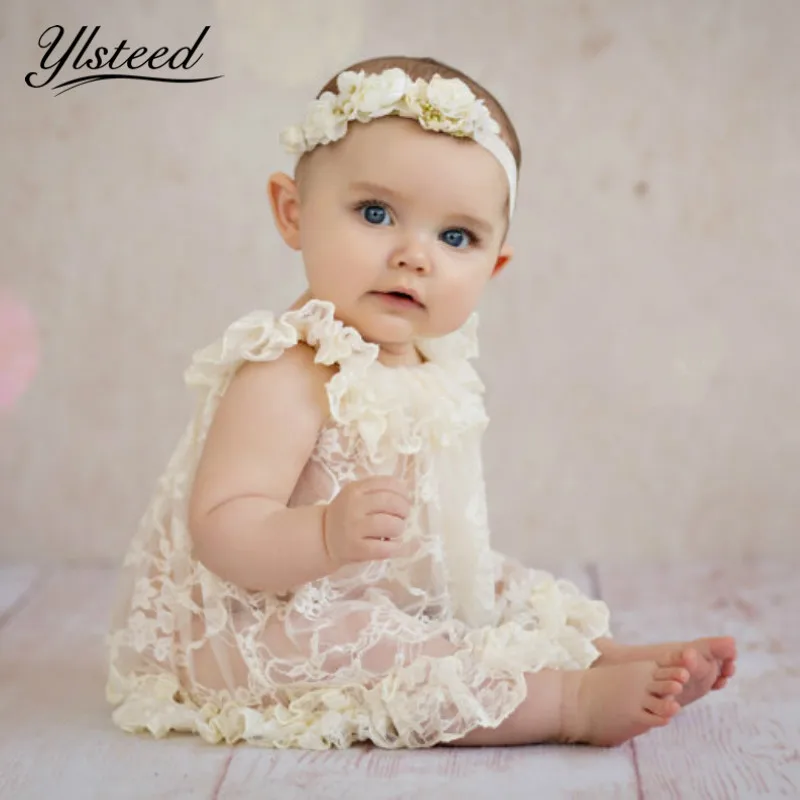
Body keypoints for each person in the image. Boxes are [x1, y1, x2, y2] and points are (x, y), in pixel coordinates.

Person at [106, 55, 736, 750]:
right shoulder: (288, 368)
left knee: (499, 587)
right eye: (375, 213)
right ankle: (568, 702)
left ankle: (599, 656)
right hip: (272, 619)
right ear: (293, 213)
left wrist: (457, 580)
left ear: (494, 265)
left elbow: (445, 533)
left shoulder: (437, 366)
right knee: (372, 643)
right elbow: (222, 527)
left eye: (456, 237)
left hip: (390, 591)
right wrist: (322, 535)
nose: (415, 255)